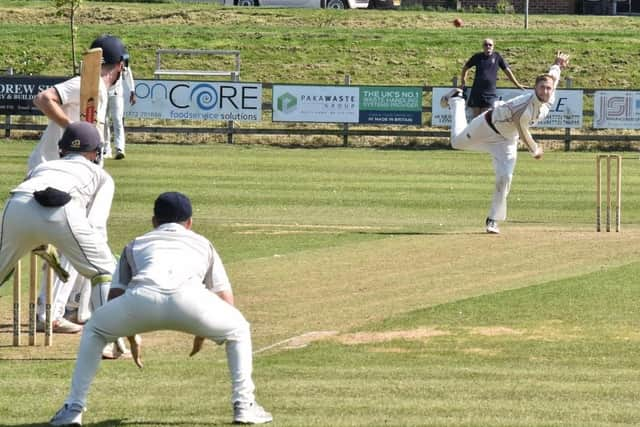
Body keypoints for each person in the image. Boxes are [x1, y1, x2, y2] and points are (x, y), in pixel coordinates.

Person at [49, 192, 273, 426]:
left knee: (94, 329)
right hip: (192, 301)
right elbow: (225, 299)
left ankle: (73, 409)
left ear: (154, 221)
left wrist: (129, 332)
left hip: (141, 299)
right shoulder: (203, 243)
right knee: (238, 328)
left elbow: (116, 297)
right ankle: (244, 405)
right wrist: (206, 328)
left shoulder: (135, 244)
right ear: (190, 223)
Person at [28, 35, 129, 334]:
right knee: (80, 240)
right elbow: (44, 98)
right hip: (54, 174)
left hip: (78, 177)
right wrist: (73, 130)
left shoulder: (101, 91)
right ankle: (51, 313)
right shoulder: (89, 83)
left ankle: (78, 308)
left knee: (95, 239)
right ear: (120, 66)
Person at [440, 51, 570, 234]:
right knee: (456, 143)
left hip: (507, 140)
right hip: (487, 125)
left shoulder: (550, 93)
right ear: (535, 89)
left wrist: (557, 64)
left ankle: (493, 219)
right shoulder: (525, 107)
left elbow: (553, 77)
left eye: (548, 89)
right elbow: (523, 132)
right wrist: (535, 149)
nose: (546, 91)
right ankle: (456, 101)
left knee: (505, 177)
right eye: (542, 88)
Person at [0, 122, 116, 318]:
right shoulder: (102, 176)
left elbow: (31, 201)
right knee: (104, 270)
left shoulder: (43, 166)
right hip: (61, 212)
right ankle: (112, 337)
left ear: (62, 148)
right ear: (96, 152)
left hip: (16, 206)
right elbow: (96, 224)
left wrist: (38, 239)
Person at [460, 38, 526, 118]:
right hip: (476, 92)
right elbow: (465, 68)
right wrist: (463, 81)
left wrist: (517, 84)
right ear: (482, 46)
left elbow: (507, 71)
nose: (488, 46)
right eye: (485, 44)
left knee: (485, 119)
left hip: (489, 93)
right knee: (476, 119)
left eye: (490, 44)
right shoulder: (477, 57)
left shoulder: (497, 57)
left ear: (493, 46)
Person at [103, 63, 135, 160]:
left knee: (117, 119)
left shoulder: (120, 57)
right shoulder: (100, 57)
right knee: (103, 121)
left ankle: (120, 149)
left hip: (116, 93)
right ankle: (106, 150)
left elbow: (128, 74)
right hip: (102, 92)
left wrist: (132, 91)